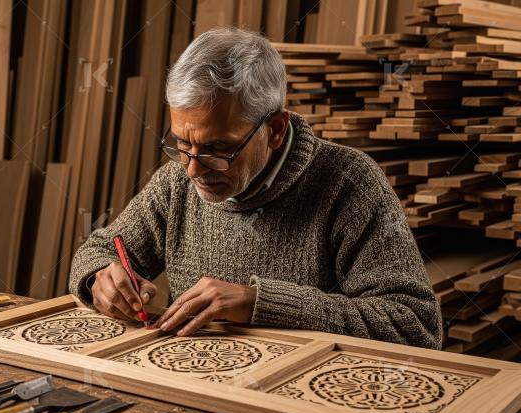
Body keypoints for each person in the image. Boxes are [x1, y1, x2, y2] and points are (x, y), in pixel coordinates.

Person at [68, 27, 442, 349]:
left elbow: (416, 326)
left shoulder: (349, 183)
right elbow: (99, 249)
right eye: (182, 143)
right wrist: (101, 276)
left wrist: (261, 303)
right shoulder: (175, 183)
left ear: (275, 129)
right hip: (196, 381)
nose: (194, 168)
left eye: (219, 148)